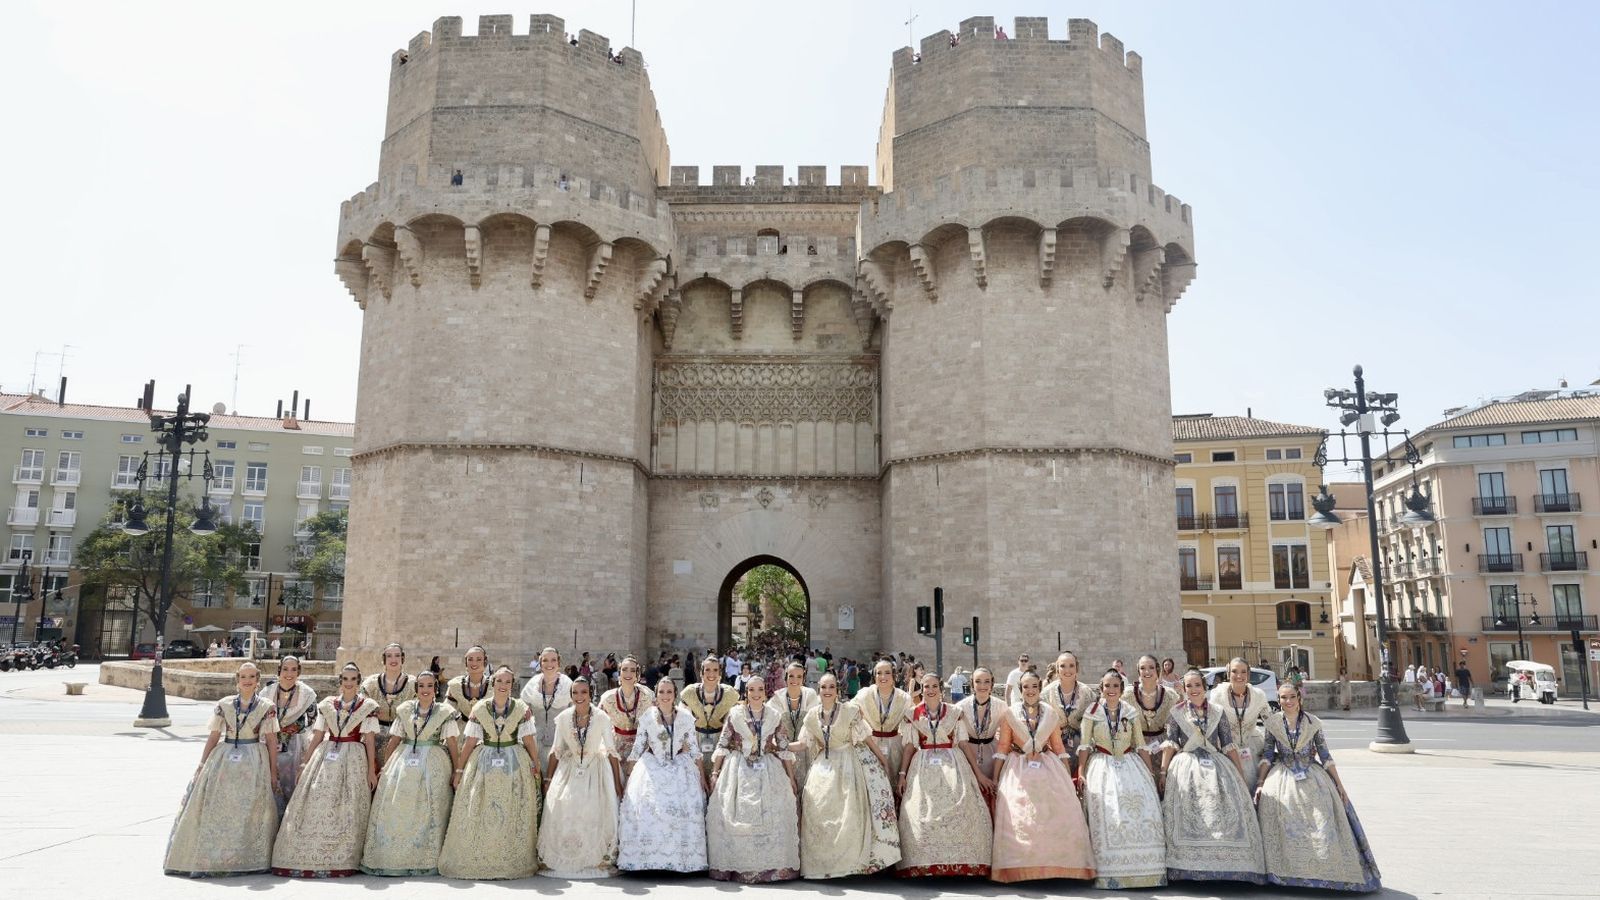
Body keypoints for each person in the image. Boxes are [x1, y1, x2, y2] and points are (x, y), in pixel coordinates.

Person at [1257, 683, 1381, 892]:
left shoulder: (1313, 723)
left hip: (1311, 773)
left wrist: (1340, 786)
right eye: (1283, 698)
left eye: (1292, 697)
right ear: (1278, 700)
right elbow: (1268, 754)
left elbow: (1325, 755)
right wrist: (1260, 783)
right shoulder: (1272, 724)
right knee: (1273, 807)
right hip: (1283, 773)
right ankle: (1283, 871)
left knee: (1322, 815)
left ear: (1299, 698)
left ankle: (1324, 871)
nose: (1287, 702)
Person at [164, 661, 281, 877]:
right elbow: (214, 736)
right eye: (243, 677)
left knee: (249, 808)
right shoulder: (224, 704)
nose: (247, 681)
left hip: (254, 758)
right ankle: (213, 856)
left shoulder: (267, 707)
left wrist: (273, 772)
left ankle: (243, 857)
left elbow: (272, 741)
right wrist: (201, 764)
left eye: (252, 677)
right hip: (225, 757)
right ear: (237, 680)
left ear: (258, 681)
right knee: (218, 806)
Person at [1157, 669, 1266, 885]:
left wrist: (1240, 775)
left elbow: (1227, 744)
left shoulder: (1217, 711)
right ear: (1184, 689)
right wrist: (1163, 772)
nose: (1194, 690)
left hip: (1216, 764)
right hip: (1186, 765)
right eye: (1189, 686)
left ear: (1204, 687)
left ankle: (1226, 864)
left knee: (1222, 807)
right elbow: (1170, 744)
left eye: (1197, 685)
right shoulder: (1176, 711)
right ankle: (1187, 865)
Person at [273, 662, 381, 877]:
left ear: (359, 682)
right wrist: (305, 762)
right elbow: (318, 735)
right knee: (317, 798)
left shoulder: (367, 706)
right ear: (340, 682)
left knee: (347, 805)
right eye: (345, 679)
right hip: (326, 754)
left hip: (353, 756)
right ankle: (306, 854)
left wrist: (371, 770)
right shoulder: (328, 704)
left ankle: (342, 856)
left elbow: (369, 741)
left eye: (353, 679)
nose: (349, 683)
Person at [989, 671, 1094, 883]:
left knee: (1056, 813)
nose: (1030, 691)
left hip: (1048, 766)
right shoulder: (1010, 714)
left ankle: (1057, 866)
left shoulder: (1050, 713)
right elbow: (1002, 748)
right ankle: (1022, 867)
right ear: (1020, 689)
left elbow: (1058, 747)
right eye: (1025, 687)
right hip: (1018, 766)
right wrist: (996, 778)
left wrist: (1067, 777)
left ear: (1040, 688)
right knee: (1021, 816)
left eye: (1034, 686)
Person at [791, 672, 899, 877]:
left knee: (849, 813)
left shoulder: (850, 711)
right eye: (823, 687)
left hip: (848, 762)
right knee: (818, 810)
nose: (827, 691)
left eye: (831, 687)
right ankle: (823, 866)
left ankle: (850, 864)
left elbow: (867, 738)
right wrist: (780, 745)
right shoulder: (811, 716)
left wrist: (883, 760)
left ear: (837, 690)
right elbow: (804, 744)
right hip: (823, 766)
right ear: (818, 690)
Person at [438, 665, 541, 880]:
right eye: (500, 681)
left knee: (511, 808)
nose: (503, 685)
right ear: (493, 684)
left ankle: (508, 858)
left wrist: (535, 761)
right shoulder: (480, 708)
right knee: (481, 807)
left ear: (512, 685)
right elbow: (470, 742)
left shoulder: (521, 708)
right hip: (484, 759)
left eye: (508, 682)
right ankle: (480, 856)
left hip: (514, 760)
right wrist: (459, 769)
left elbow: (529, 739)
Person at [361, 670, 461, 876]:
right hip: (404, 759)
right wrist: (386, 766)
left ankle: (424, 857)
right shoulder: (405, 710)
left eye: (430, 686)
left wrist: (457, 770)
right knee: (397, 805)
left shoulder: (444, 712)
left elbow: (452, 744)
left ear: (436, 689)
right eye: (422, 686)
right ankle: (393, 855)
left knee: (429, 807)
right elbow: (394, 740)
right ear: (416, 690)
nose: (426, 690)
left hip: (434, 761)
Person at [1077, 669, 1166, 890]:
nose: (1111, 690)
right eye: (1107, 686)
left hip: (1129, 764)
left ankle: (1146, 871)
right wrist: (1080, 771)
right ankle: (1110, 871)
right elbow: (1085, 745)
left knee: (1142, 810)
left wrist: (1150, 774)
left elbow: (1140, 744)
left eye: (1115, 686)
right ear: (1101, 687)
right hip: (1102, 764)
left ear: (1121, 688)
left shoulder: (1130, 711)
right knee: (1108, 812)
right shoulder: (1092, 711)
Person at [894, 673, 991, 877]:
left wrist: (978, 774)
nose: (930, 690)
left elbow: (963, 743)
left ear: (941, 689)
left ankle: (963, 862)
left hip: (953, 763)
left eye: (934, 686)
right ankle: (923, 863)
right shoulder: (914, 714)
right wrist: (902, 774)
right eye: (926, 686)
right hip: (923, 765)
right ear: (922, 688)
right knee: (919, 810)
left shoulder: (955, 713)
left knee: (962, 807)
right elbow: (911, 746)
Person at [706, 678, 800, 882]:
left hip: (767, 766)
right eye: (751, 690)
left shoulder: (775, 715)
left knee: (778, 808)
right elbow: (722, 744)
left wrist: (791, 778)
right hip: (738, 767)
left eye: (759, 689)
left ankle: (771, 867)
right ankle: (738, 866)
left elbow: (783, 747)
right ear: (745, 692)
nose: (755, 693)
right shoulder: (735, 714)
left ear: (765, 692)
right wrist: (714, 773)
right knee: (732, 811)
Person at [618, 677, 708, 873]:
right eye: (661, 692)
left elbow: (694, 750)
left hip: (680, 765)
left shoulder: (685, 717)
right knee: (648, 805)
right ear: (656, 695)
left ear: (675, 694)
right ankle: (647, 860)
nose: (665, 696)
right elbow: (638, 747)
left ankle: (681, 860)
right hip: (652, 766)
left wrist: (702, 777)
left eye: (669, 692)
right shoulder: (647, 716)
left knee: (685, 806)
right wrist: (628, 776)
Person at [539, 677, 622, 878]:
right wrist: (548, 780)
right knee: (561, 804)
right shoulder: (564, 718)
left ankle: (596, 856)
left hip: (596, 768)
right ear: (571, 695)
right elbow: (556, 751)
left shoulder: (602, 717)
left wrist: (618, 784)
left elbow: (611, 751)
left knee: (593, 809)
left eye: (583, 692)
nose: (579, 697)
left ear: (590, 693)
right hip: (570, 766)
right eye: (575, 693)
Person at [1208, 657, 1270, 793]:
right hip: (1226, 749)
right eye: (1234, 671)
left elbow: (1271, 723)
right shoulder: (1217, 695)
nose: (1239, 676)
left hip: (1252, 747)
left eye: (1243, 672)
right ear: (1228, 673)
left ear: (1248, 674)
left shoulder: (1259, 695)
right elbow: (1211, 725)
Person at [269, 655, 318, 816]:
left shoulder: (307, 694)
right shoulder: (268, 691)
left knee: (292, 783)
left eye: (294, 669)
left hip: (295, 745)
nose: (289, 673)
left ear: (299, 672)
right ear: (279, 670)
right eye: (285, 669)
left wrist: (293, 728)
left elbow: (314, 721)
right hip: (269, 742)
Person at [853, 659, 914, 782]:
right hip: (870, 745)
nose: (882, 676)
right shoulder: (863, 695)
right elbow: (849, 713)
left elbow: (915, 719)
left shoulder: (904, 698)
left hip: (895, 746)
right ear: (874, 676)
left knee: (894, 781)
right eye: (878, 673)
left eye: (887, 672)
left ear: (894, 675)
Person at [360, 643, 416, 769]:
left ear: (403, 659)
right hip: (373, 738)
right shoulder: (371, 683)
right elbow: (361, 709)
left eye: (397, 655)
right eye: (389, 656)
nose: (393, 659)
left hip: (401, 738)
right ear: (383, 659)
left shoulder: (413, 684)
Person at [683, 655, 739, 779]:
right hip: (696, 741)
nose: (711, 674)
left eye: (715, 670)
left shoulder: (729, 694)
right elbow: (681, 722)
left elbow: (735, 721)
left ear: (720, 674)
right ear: (701, 673)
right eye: (707, 670)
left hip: (721, 742)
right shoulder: (689, 692)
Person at [954, 666, 1001, 807]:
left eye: (987, 681)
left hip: (993, 754)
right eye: (978, 681)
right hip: (968, 754)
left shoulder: (1002, 706)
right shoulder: (960, 707)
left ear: (992, 683)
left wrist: (996, 777)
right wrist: (978, 775)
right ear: (972, 683)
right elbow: (961, 741)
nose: (982, 686)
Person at [1043, 651, 1096, 776]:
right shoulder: (1046, 694)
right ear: (1057, 669)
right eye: (1063, 666)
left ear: (1077, 668)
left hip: (1082, 748)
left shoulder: (1088, 693)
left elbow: (1095, 721)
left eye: (1071, 666)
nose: (1067, 670)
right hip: (1054, 748)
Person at [767, 661, 819, 784]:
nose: (795, 679)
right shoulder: (777, 698)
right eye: (791, 676)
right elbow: (771, 725)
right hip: (784, 751)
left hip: (807, 749)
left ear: (803, 679)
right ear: (786, 677)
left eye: (799, 676)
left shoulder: (810, 695)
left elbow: (814, 723)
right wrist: (779, 745)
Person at [1131, 654, 1180, 776]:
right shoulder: (1127, 695)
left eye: (1151, 667)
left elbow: (1176, 724)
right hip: (1136, 747)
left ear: (1157, 670)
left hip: (1162, 748)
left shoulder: (1170, 695)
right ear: (1138, 671)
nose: (1147, 671)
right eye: (1142, 668)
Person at [598, 655, 654, 761]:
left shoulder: (647, 696)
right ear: (619, 673)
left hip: (641, 747)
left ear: (637, 675)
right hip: (616, 747)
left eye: (632, 670)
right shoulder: (608, 698)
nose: (628, 674)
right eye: (624, 670)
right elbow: (597, 723)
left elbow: (655, 722)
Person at [521, 646, 574, 752]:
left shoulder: (567, 684)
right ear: (540, 664)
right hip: (536, 741)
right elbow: (521, 707)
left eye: (553, 660)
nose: (549, 664)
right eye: (545, 660)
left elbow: (576, 710)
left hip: (562, 741)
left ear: (559, 663)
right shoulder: (533, 683)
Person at [445, 645, 491, 719]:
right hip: (462, 729)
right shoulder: (455, 685)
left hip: (488, 729)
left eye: (478, 659)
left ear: (485, 662)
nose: (474, 663)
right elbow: (447, 711)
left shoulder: (494, 685)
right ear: (466, 662)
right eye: (470, 659)